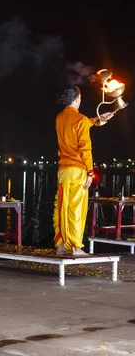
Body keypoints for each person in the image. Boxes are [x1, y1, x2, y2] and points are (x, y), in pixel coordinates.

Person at [52, 86, 114, 257]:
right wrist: (89, 172)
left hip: (63, 171)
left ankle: (61, 245)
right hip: (77, 171)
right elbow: (85, 149)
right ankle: (75, 247)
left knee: (62, 208)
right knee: (76, 210)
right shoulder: (79, 119)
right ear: (77, 98)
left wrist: (97, 119)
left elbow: (80, 124)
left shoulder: (60, 118)